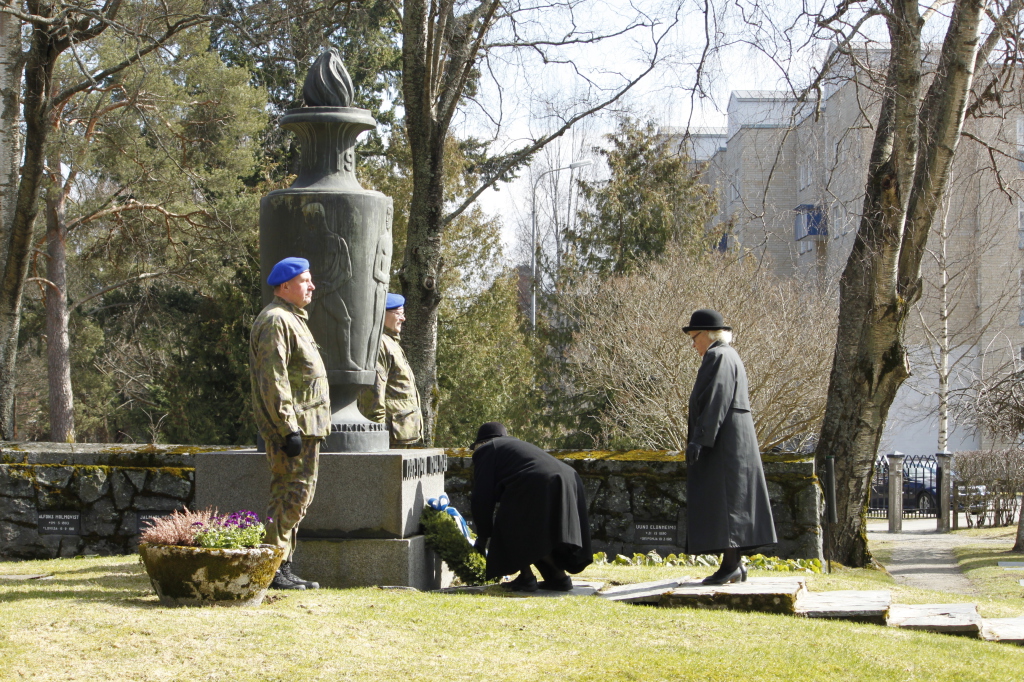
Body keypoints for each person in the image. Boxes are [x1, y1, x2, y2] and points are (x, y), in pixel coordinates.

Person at [250, 257, 330, 590]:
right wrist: (288, 427)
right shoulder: (276, 320)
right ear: (285, 286)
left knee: (297, 496)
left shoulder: (292, 319)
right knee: (289, 496)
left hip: (307, 425)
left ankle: (283, 564)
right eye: (305, 281)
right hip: (294, 428)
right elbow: (274, 378)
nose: (311, 286)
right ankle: (272, 566)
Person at [683, 309, 776, 585]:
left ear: (708, 334)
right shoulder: (729, 355)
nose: (693, 344)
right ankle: (733, 564)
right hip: (733, 439)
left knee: (727, 503)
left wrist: (700, 438)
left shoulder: (717, 355)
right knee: (732, 503)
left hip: (725, 442)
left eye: (694, 336)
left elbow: (716, 398)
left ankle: (731, 566)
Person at [470, 421, 592, 592]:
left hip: (537, 480)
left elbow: (482, 497)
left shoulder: (487, 449)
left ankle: (526, 578)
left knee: (511, 523)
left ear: (481, 442)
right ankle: (559, 577)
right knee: (540, 534)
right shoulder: (514, 446)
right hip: (567, 477)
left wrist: (482, 537)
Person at [358, 293, 423, 448]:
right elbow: (374, 393)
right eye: (399, 314)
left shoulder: (391, 343)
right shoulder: (380, 344)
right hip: (389, 434)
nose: (403, 319)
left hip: (400, 431)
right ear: (382, 314)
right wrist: (377, 432)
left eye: (403, 313)